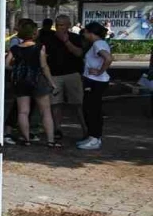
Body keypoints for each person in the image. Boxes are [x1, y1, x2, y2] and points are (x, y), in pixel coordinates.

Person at [7, 19, 57, 147]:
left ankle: (26, 139)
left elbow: (7, 64)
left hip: (21, 81)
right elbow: (44, 66)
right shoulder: (40, 47)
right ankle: (50, 140)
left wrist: (17, 68)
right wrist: (51, 82)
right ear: (34, 33)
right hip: (37, 80)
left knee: (23, 111)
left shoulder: (14, 48)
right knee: (45, 111)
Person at [42, 14, 86, 141]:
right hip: (55, 75)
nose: (59, 28)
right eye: (57, 25)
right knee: (56, 104)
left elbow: (79, 53)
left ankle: (85, 128)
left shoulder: (75, 38)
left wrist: (66, 41)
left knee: (77, 103)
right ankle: (57, 129)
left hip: (72, 74)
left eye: (62, 25)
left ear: (68, 25)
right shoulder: (48, 38)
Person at [77, 22, 113, 150]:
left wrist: (99, 71)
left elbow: (108, 58)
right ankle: (92, 136)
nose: (84, 35)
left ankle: (95, 138)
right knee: (90, 109)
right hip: (93, 81)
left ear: (91, 33)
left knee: (92, 110)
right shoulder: (99, 44)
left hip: (95, 82)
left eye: (86, 32)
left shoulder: (98, 44)